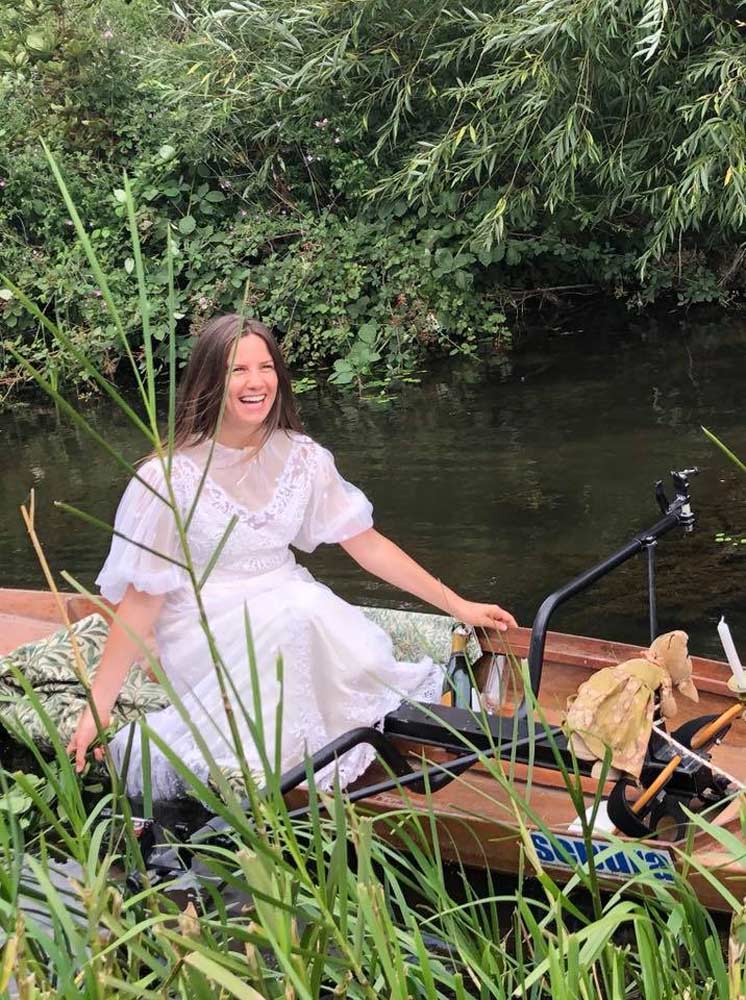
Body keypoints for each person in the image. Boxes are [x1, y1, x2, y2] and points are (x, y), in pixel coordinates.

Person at [67, 314, 517, 798]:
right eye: (237, 371)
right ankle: (286, 772)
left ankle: (351, 751)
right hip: (205, 622)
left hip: (290, 599)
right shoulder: (167, 479)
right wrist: (100, 702)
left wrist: (458, 605)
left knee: (309, 614)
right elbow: (141, 602)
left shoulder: (303, 457)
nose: (256, 382)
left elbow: (367, 545)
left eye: (266, 367)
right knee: (296, 616)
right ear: (208, 381)